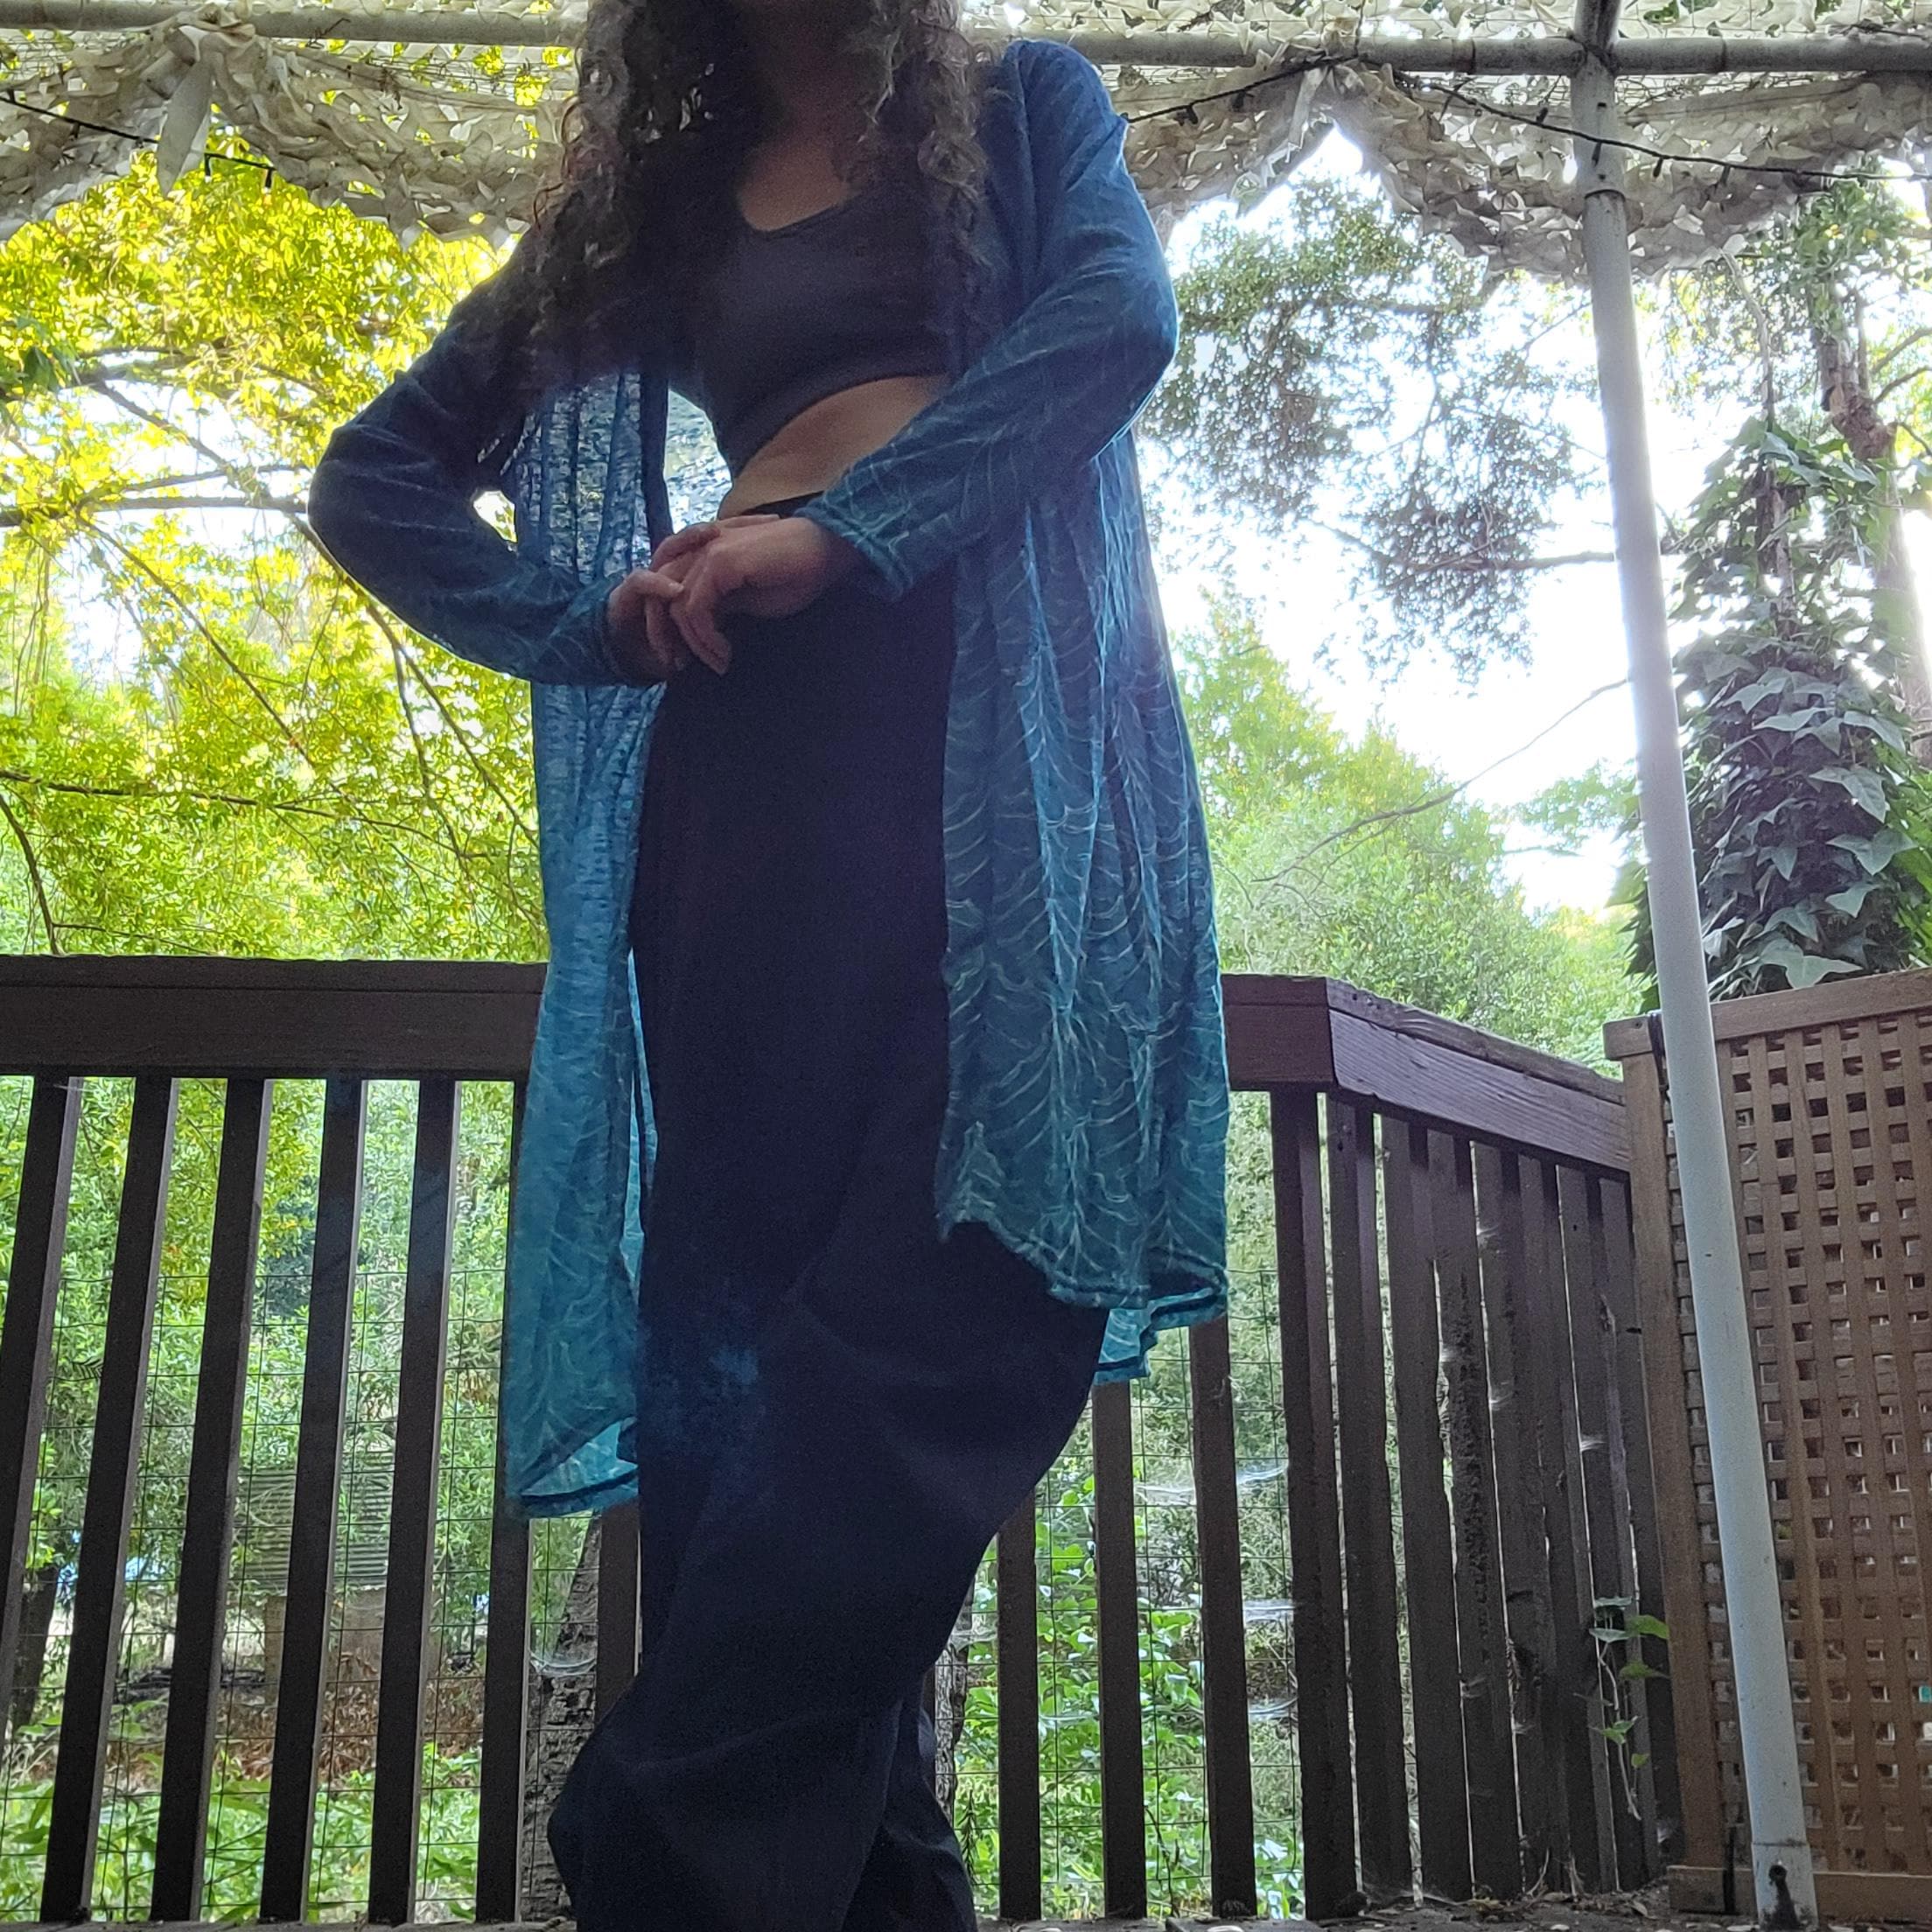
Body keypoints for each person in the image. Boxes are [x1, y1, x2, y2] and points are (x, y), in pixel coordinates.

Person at [306, 2, 1229, 1926]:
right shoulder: (656, 205)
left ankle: (656, 1854)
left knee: (966, 1288)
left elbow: (1113, 323)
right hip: (744, 772)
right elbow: (375, 476)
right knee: (738, 1335)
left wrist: (852, 533)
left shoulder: (1024, 105)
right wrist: (592, 622)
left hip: (1001, 748)